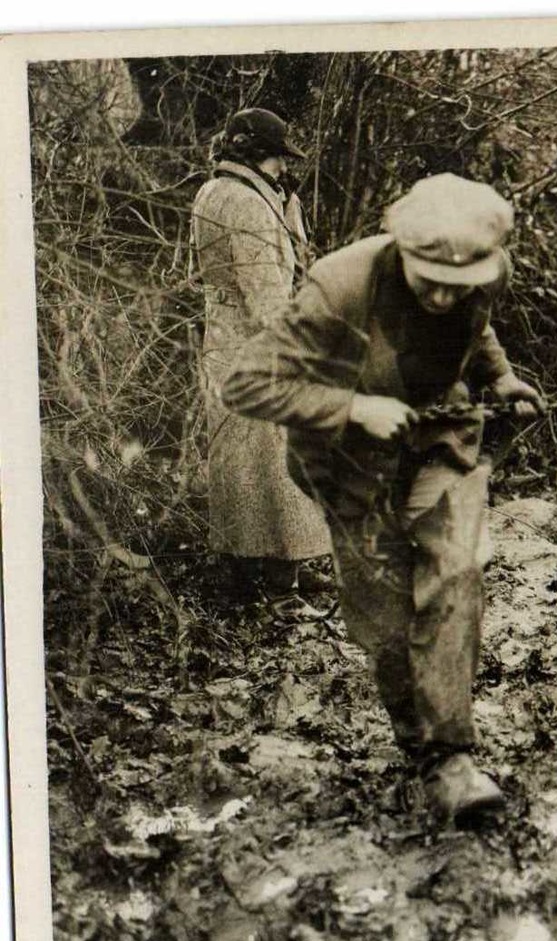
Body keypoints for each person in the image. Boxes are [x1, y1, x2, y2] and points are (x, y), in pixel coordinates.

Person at [223, 173, 547, 825]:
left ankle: (450, 760)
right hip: (346, 463)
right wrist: (351, 407)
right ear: (401, 249)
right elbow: (246, 382)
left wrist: (502, 377)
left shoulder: (488, 274)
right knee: (386, 617)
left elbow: (474, 329)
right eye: (429, 277)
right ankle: (416, 741)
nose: (441, 294)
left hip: (439, 438)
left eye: (458, 284)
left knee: (455, 574)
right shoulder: (340, 286)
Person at [191, 107, 331, 617]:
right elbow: (265, 295)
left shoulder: (213, 191)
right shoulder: (247, 204)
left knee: (241, 459)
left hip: (224, 341)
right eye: (276, 161)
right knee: (278, 457)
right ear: (258, 157)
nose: (281, 170)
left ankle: (264, 566)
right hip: (257, 345)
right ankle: (279, 583)